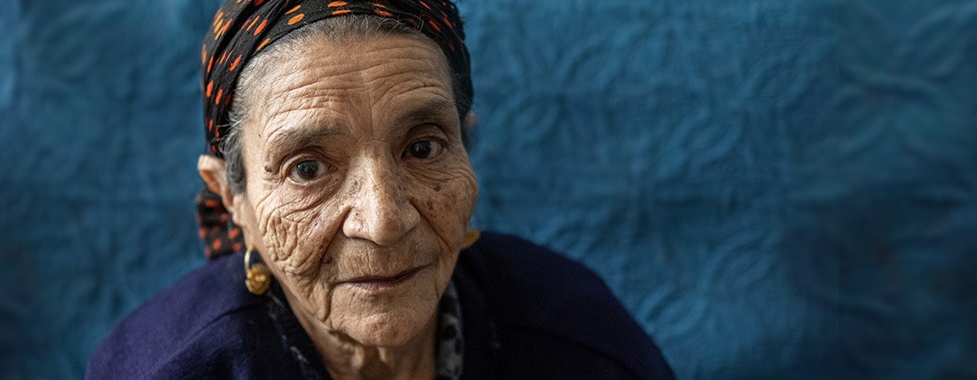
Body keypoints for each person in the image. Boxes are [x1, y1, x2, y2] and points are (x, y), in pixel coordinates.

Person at [89, 1, 673, 378]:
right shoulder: (166, 369)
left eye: (422, 148)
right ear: (230, 200)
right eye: (308, 169)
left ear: (466, 148)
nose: (383, 220)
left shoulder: (580, 343)